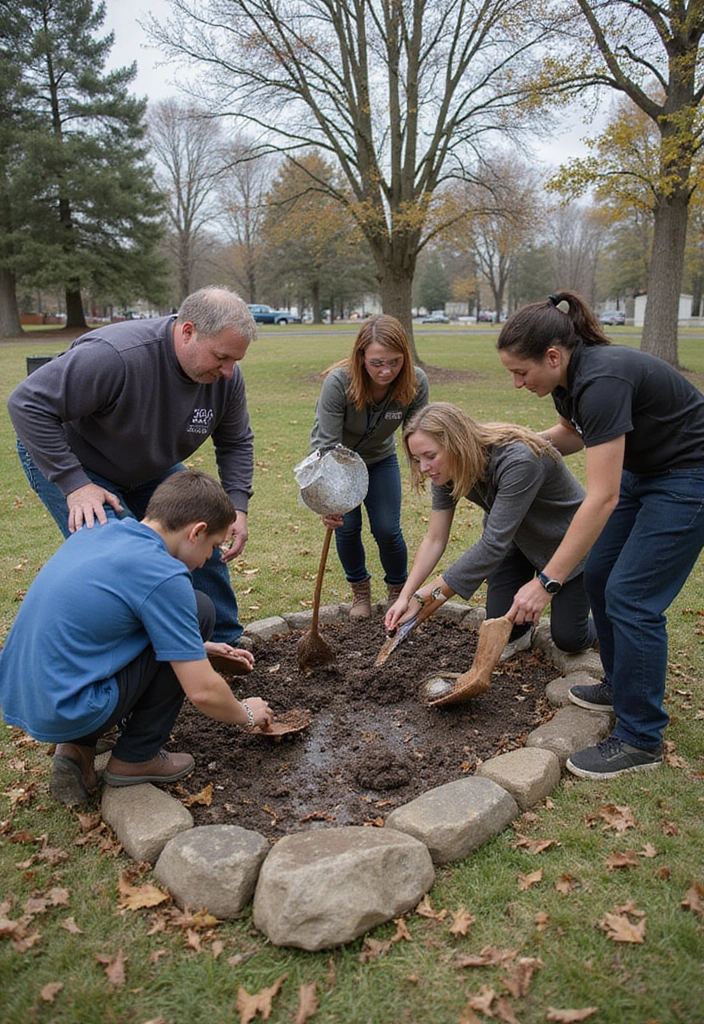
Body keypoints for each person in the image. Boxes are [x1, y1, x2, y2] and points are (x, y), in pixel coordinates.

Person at [497, 291, 704, 779]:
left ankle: (640, 738)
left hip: (688, 476)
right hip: (646, 473)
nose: (516, 383)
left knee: (632, 596)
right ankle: (620, 683)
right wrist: (514, 443)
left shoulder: (602, 379)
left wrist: (546, 580)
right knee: (601, 577)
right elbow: (572, 435)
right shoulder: (567, 381)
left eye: (521, 373)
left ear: (553, 356)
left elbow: (601, 498)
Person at [0, 471, 273, 807]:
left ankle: (77, 747)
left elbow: (106, 624)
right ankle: (136, 755)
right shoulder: (165, 575)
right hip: (71, 707)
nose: (208, 560)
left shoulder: (101, 532)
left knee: (189, 618)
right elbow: (202, 691)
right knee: (200, 607)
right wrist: (245, 712)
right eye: (213, 547)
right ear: (196, 532)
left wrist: (196, 647)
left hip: (25, 695)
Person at [7, 286, 256, 648]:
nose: (230, 371)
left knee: (205, 535)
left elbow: (235, 442)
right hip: (76, 461)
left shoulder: (224, 380)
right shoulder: (116, 356)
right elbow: (26, 403)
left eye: (236, 360)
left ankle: (226, 646)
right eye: (221, 357)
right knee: (128, 561)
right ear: (188, 331)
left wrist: (237, 504)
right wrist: (74, 484)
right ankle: (151, 658)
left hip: (149, 464)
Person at [385, 402, 596, 663]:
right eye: (417, 460)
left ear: (456, 444)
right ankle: (524, 630)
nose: (424, 467)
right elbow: (434, 539)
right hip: (516, 541)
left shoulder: (519, 460)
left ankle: (604, 622)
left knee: (569, 638)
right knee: (502, 626)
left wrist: (427, 597)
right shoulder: (445, 470)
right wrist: (407, 596)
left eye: (430, 456)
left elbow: (492, 544)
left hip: (566, 544)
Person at [310, 314, 429, 618]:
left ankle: (397, 592)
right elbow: (326, 445)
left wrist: (424, 465)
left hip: (380, 460)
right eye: (376, 362)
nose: (386, 371)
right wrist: (329, 495)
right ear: (361, 356)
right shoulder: (339, 382)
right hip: (339, 463)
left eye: (394, 362)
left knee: (388, 529)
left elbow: (419, 432)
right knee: (347, 529)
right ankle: (360, 593)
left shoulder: (415, 382)